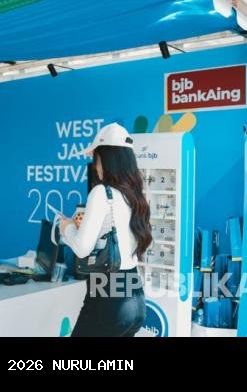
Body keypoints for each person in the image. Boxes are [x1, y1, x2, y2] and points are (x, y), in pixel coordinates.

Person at [59, 123, 152, 337]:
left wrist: (67, 228)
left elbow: (82, 248)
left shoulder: (101, 192)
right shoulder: (134, 194)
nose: (95, 166)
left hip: (107, 295)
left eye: (97, 159)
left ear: (106, 159)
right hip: (135, 296)